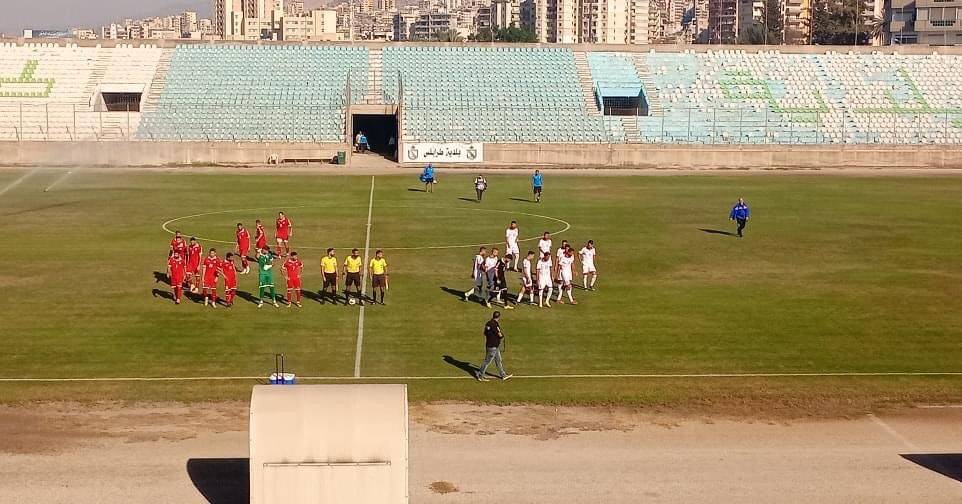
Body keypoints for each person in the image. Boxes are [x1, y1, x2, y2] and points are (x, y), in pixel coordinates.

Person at [476, 311, 512, 382]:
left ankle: (503, 375)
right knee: (487, 361)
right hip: (493, 346)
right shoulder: (495, 324)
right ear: (499, 317)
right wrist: (501, 336)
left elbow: (485, 333)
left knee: (498, 360)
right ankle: (480, 375)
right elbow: (500, 335)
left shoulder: (488, 323)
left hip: (490, 345)